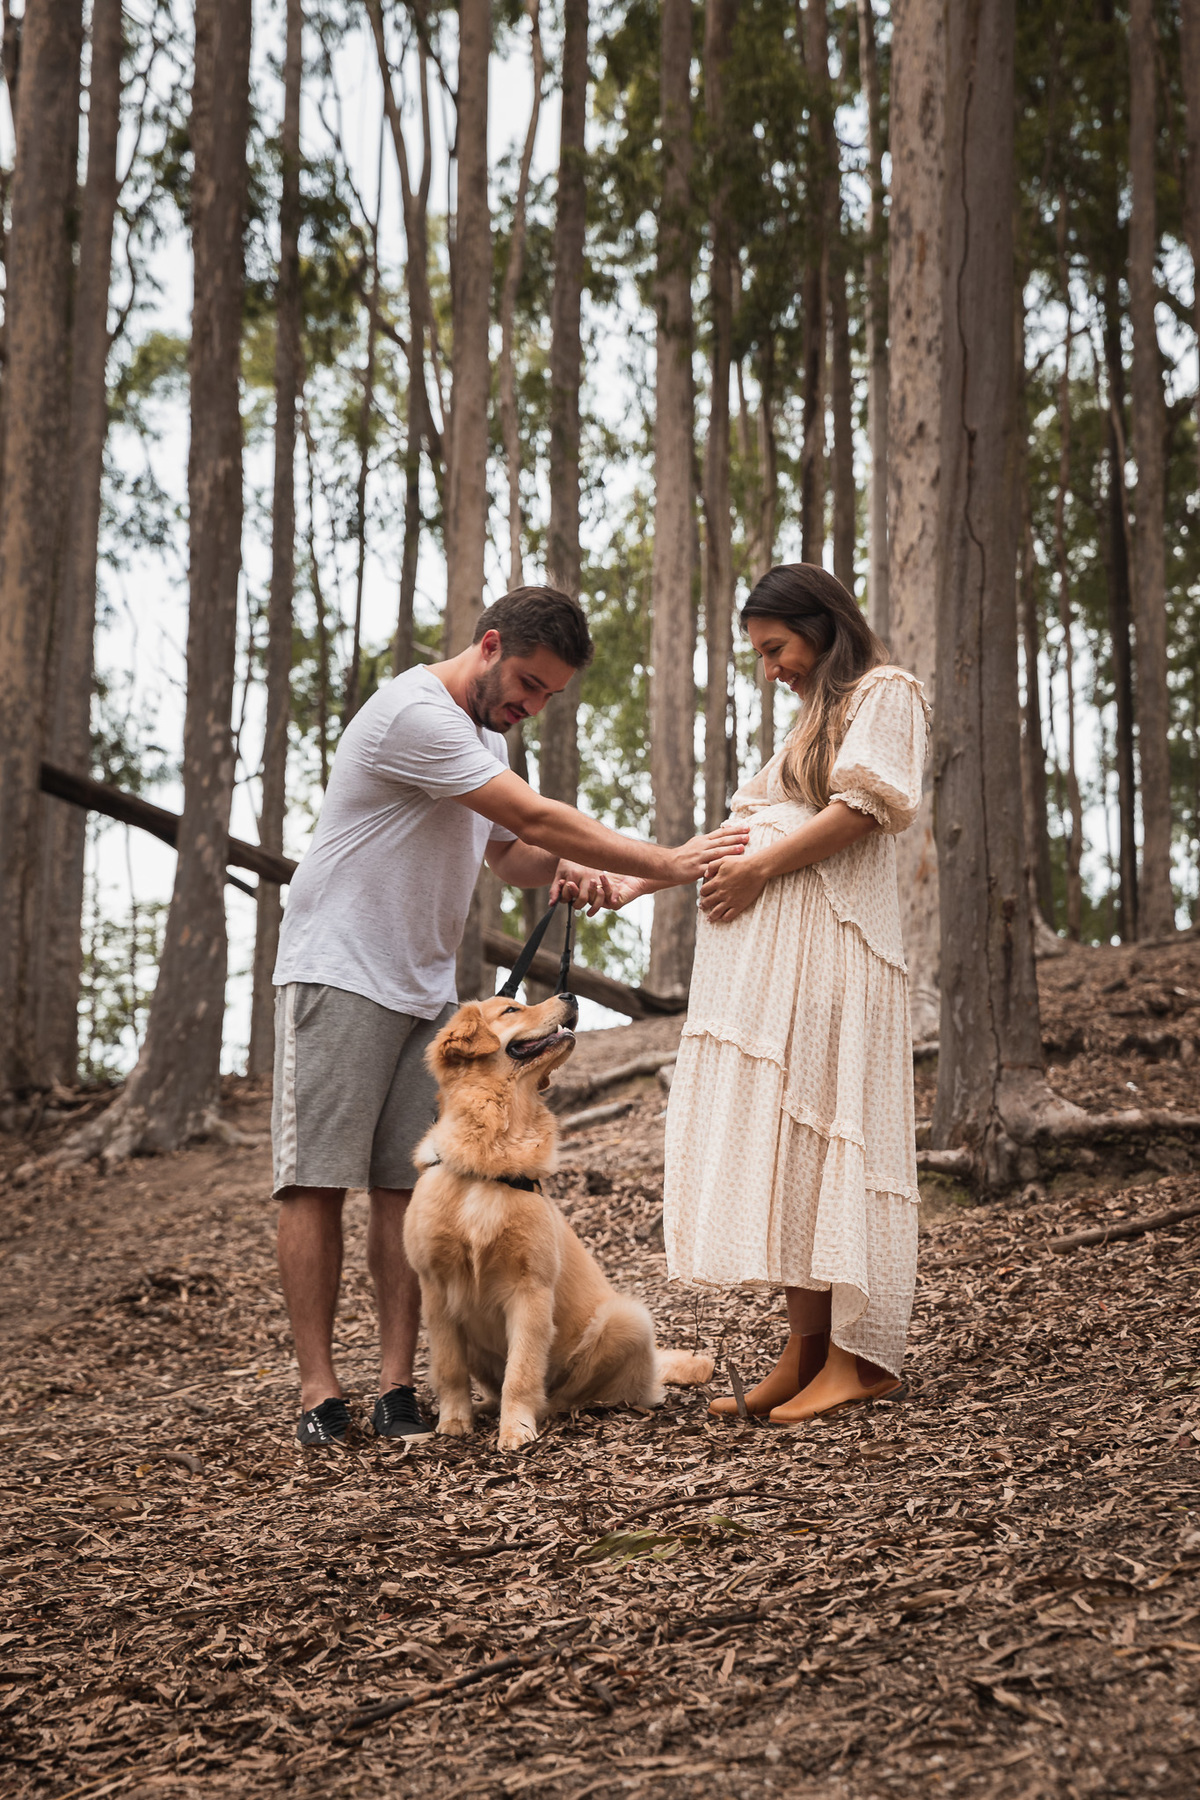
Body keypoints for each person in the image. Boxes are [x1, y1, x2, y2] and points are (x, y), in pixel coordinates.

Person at [271, 584, 748, 1447]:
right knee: (314, 1178)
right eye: (528, 683)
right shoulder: (414, 714)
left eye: (549, 696)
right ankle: (317, 1392)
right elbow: (530, 813)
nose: (531, 706)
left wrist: (572, 868)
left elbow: (515, 852)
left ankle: (395, 1389)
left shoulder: (484, 736)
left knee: (401, 1186)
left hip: (424, 988)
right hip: (339, 969)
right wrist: (669, 862)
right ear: (489, 646)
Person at [616, 564, 929, 1422]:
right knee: (796, 1141)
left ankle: (863, 1357)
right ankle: (809, 1347)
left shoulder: (885, 693)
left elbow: (865, 809)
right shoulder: (808, 725)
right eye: (760, 653)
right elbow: (739, 822)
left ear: (823, 627)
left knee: (833, 1128)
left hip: (839, 956)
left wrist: (756, 872)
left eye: (776, 648)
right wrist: (637, 883)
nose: (771, 668)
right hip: (789, 970)